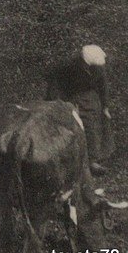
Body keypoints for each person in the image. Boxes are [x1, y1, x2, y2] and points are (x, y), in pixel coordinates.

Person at [45, 44, 113, 175]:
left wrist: (105, 107)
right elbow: (54, 80)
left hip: (90, 96)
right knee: (70, 126)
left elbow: (103, 86)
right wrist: (57, 101)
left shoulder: (98, 67)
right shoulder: (70, 65)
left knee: (92, 127)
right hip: (71, 95)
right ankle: (69, 161)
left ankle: (93, 161)